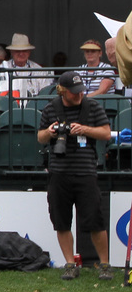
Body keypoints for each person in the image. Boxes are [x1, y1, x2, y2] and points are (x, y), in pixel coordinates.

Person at [35, 71, 114, 280]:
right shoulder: (51, 108)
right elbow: (40, 137)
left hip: (86, 171)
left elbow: (106, 133)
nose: (79, 95)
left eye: (80, 91)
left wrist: (84, 130)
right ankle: (70, 264)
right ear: (62, 91)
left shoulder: (92, 106)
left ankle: (104, 264)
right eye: (74, 92)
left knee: (95, 220)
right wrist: (50, 131)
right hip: (59, 172)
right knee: (61, 221)